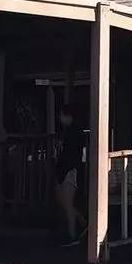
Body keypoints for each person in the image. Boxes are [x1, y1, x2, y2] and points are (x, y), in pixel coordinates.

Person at [54, 105, 86, 246]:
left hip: (69, 170)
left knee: (66, 203)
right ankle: (82, 221)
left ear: (67, 116)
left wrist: (62, 170)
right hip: (69, 169)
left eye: (61, 115)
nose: (60, 119)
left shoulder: (73, 133)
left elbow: (69, 155)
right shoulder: (74, 131)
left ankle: (73, 236)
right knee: (64, 201)